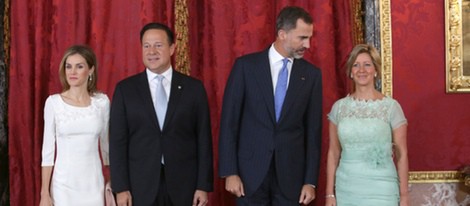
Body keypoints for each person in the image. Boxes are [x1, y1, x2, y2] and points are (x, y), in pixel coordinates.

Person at [218, 6, 323, 206]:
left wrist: (310, 181)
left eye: (309, 38)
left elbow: (313, 132)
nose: (307, 44)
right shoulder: (246, 67)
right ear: (282, 34)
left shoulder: (311, 75)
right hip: (249, 176)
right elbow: (229, 123)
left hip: (291, 178)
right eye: (302, 37)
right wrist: (230, 171)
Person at [109, 22, 213, 206]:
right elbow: (118, 143)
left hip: (184, 186)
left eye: (158, 45)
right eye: (146, 46)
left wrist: (203, 185)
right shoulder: (125, 90)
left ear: (172, 48)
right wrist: (121, 187)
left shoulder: (193, 89)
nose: (152, 51)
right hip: (139, 187)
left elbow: (203, 139)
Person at [325, 44, 409, 206]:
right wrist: (330, 194)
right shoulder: (339, 108)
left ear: (375, 70)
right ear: (351, 71)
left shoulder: (391, 107)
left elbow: (402, 154)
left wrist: (404, 196)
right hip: (347, 188)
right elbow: (333, 153)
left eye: (367, 64)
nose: (361, 69)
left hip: (382, 189)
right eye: (356, 65)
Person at [39, 45, 110, 206]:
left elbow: (107, 147)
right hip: (63, 185)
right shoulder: (53, 103)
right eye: (68, 66)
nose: (72, 72)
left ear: (91, 70)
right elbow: (48, 153)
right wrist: (44, 193)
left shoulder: (102, 102)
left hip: (94, 184)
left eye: (79, 66)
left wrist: (112, 180)